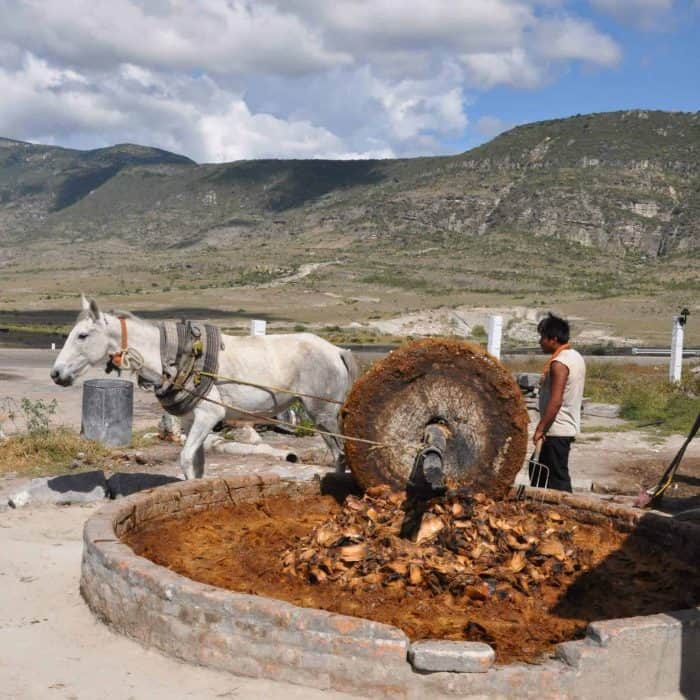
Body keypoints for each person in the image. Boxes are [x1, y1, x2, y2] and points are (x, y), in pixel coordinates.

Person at [530, 313, 586, 492]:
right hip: (560, 427)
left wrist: (541, 429)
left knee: (557, 479)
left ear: (553, 339)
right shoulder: (575, 356)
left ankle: (565, 512)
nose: (540, 342)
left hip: (556, 429)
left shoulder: (559, 363)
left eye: (542, 337)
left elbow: (555, 401)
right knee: (537, 471)